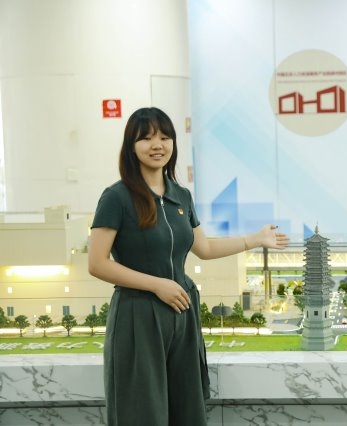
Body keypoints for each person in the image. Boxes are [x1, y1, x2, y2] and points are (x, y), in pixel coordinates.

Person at [88, 106, 289, 425]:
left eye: (165, 137)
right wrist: (157, 285)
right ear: (131, 146)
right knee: (141, 411)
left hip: (182, 313)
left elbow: (204, 248)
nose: (158, 145)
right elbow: (97, 264)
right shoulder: (117, 197)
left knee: (187, 408)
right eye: (147, 138)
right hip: (138, 315)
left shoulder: (181, 196)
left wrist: (255, 239)